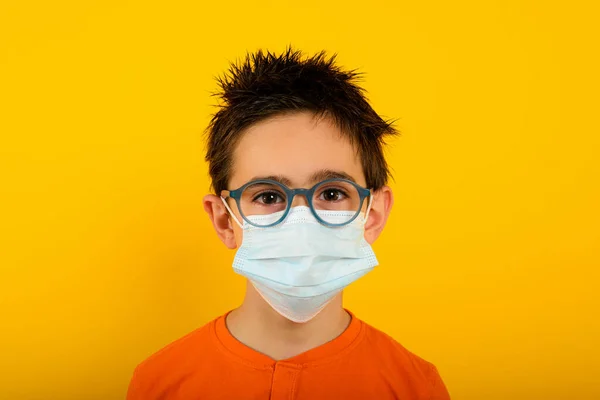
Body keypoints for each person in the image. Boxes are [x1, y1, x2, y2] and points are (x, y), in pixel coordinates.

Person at [126, 48, 451, 400]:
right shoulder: (160, 382)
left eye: (330, 193)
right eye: (267, 196)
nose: (302, 219)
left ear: (373, 214)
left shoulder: (415, 386)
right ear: (224, 219)